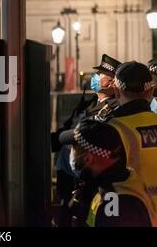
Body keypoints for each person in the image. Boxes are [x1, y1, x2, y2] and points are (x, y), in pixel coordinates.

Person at [107, 61, 157, 226]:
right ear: (150, 90)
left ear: (116, 90)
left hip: (134, 217)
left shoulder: (113, 129)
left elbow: (109, 185)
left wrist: (110, 216)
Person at [51, 53, 121, 226]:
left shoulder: (112, 108)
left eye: (101, 75)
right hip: (71, 180)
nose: (95, 77)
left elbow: (84, 134)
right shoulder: (91, 104)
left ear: (112, 82)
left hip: (87, 177)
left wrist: (62, 138)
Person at [61, 119, 157, 227]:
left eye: (73, 149)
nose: (71, 153)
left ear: (88, 159)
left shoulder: (116, 202)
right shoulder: (125, 178)